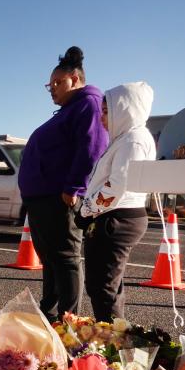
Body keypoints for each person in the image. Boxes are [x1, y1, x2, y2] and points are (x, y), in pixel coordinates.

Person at [18, 46, 108, 322]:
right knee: (51, 259)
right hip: (42, 198)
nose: (53, 89)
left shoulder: (88, 104)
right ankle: (51, 310)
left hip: (59, 198)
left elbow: (93, 147)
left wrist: (74, 188)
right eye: (50, 85)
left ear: (76, 79)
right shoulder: (69, 110)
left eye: (59, 82)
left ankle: (69, 320)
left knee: (66, 259)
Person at [79, 82, 156, 322]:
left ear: (125, 109)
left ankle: (112, 345)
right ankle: (112, 338)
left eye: (106, 111)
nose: (102, 117)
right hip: (115, 215)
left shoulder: (132, 140)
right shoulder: (126, 138)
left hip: (117, 218)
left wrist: (87, 209)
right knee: (107, 285)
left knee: (103, 288)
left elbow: (117, 185)